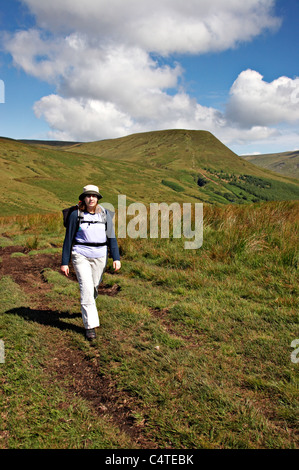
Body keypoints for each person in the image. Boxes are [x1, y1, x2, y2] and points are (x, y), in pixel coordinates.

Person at [61, 184, 121, 340]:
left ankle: (87, 307)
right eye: (88, 196)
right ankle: (90, 327)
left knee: (94, 287)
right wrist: (64, 262)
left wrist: (116, 258)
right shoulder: (76, 215)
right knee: (86, 288)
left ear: (98, 198)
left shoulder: (105, 215)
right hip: (80, 255)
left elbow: (112, 238)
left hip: (100, 256)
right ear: (83, 199)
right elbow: (68, 240)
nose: (91, 198)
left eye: (94, 196)